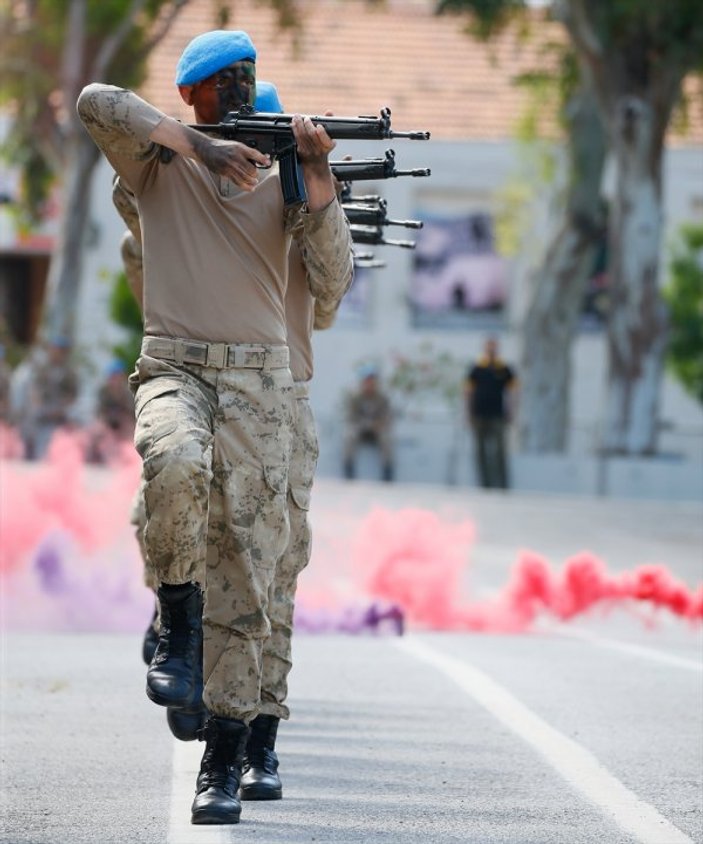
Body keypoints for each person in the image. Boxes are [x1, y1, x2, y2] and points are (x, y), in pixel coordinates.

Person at [77, 30, 353, 827]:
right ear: (191, 94)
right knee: (171, 468)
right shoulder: (159, 163)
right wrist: (195, 148)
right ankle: (176, 621)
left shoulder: (287, 178)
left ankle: (230, 755)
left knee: (257, 574)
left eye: (248, 79)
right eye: (219, 81)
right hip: (176, 367)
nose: (237, 91)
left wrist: (320, 180)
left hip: (267, 389)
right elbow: (100, 104)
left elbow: (331, 290)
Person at [464, 336, 517, 489]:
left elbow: (513, 393)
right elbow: (468, 392)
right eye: (489, 346)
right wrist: (468, 414)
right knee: (480, 452)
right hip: (479, 414)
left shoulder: (505, 368)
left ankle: (502, 485)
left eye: (494, 346)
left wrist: (512, 411)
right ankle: (484, 485)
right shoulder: (477, 368)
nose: (491, 349)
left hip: (498, 415)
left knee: (500, 452)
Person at [21, 337, 79, 460]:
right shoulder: (42, 369)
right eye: (54, 350)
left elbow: (73, 394)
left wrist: (62, 407)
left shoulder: (70, 372)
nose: (56, 353)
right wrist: (40, 406)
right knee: (40, 449)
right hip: (43, 413)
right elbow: (34, 390)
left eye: (59, 351)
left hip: (60, 415)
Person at [342, 366, 394, 481]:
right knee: (349, 435)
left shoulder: (382, 398)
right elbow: (351, 417)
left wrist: (378, 424)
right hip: (361, 428)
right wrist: (363, 423)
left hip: (377, 429)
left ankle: (387, 471)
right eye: (367, 381)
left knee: (387, 438)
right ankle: (348, 469)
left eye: (372, 381)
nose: (370, 384)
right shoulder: (356, 398)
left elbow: (387, 417)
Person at [86, 359, 135, 463]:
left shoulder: (128, 393)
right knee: (96, 429)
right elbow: (99, 412)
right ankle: (94, 455)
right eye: (113, 377)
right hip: (107, 423)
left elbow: (131, 414)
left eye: (117, 376)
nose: (115, 380)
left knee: (129, 428)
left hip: (123, 424)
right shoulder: (103, 392)